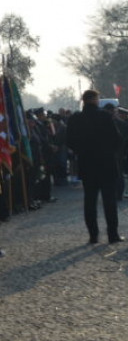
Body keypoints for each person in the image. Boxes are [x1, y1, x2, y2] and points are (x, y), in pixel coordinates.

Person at [66, 90, 124, 244]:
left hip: (87, 164)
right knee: (109, 201)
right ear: (95, 99)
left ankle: (93, 235)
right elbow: (117, 139)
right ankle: (113, 235)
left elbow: (69, 141)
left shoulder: (75, 119)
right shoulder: (105, 116)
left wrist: (82, 151)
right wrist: (110, 152)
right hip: (107, 164)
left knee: (90, 201)